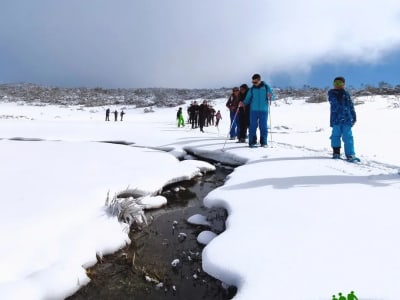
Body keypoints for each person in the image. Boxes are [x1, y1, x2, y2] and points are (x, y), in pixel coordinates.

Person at [328, 76, 360, 162]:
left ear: (344, 85)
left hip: (346, 120)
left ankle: (350, 155)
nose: (337, 85)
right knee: (335, 136)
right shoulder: (332, 94)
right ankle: (336, 153)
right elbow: (334, 102)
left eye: (340, 83)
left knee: (348, 137)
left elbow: (351, 106)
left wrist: (353, 116)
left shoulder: (346, 94)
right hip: (336, 120)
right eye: (336, 83)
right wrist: (338, 93)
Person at [241, 74, 274, 148]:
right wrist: (243, 103)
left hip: (264, 110)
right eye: (252, 82)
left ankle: (264, 143)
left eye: (255, 82)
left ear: (259, 80)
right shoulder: (252, 89)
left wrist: (270, 96)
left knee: (263, 127)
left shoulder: (266, 87)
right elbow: (247, 99)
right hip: (253, 111)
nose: (254, 84)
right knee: (252, 126)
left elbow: (273, 96)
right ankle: (252, 142)